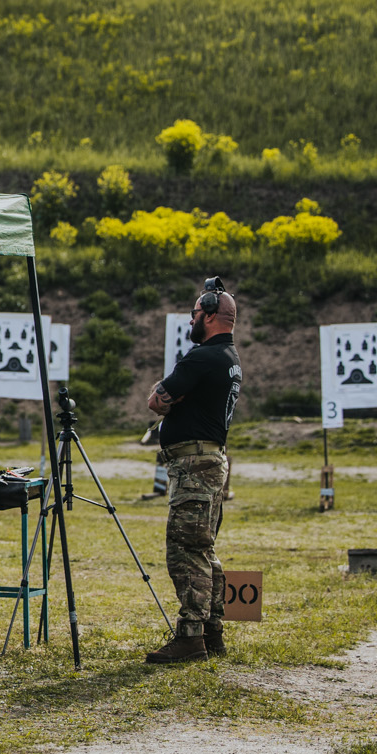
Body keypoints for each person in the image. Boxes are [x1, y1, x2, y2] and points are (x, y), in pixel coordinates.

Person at [143, 279, 243, 664]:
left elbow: (157, 400)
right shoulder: (229, 358)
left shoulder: (202, 358)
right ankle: (212, 631)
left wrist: (171, 394)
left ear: (213, 316)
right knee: (204, 548)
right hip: (210, 461)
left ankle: (191, 636)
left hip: (195, 466)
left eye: (197, 314)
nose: (192, 319)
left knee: (184, 550)